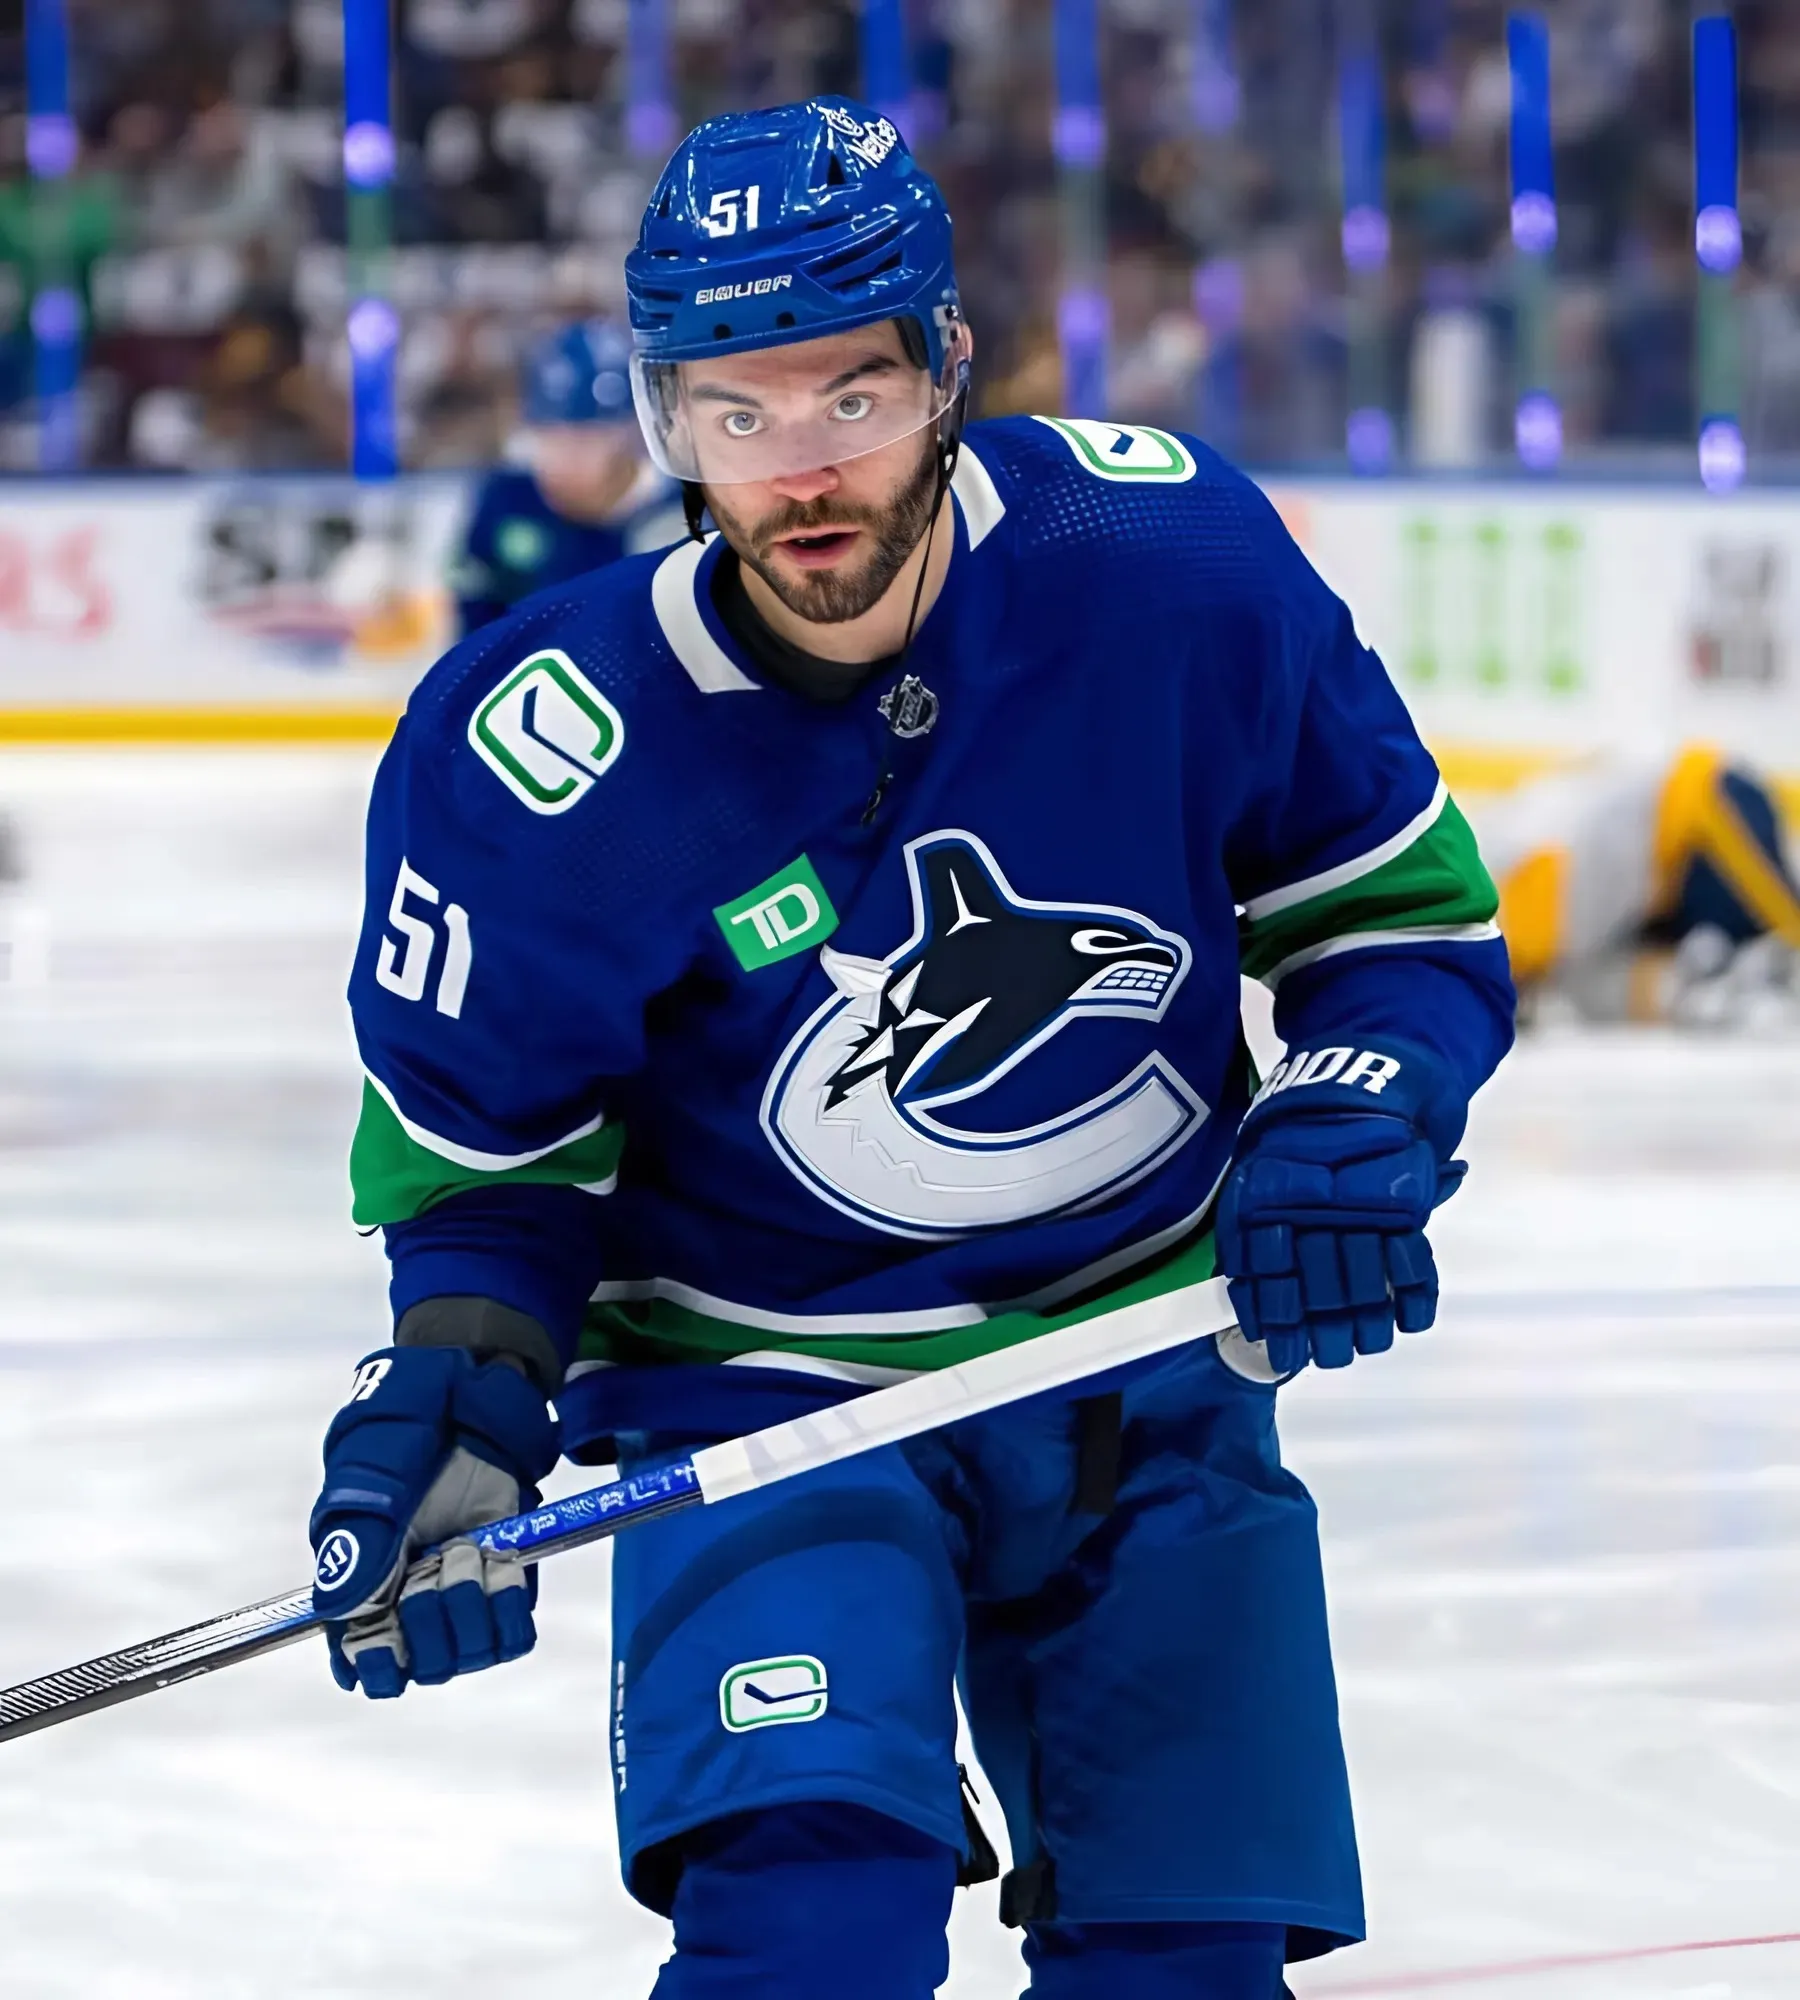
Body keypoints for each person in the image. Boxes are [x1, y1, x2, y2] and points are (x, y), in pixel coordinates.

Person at [310, 99, 1514, 1998]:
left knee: (1185, 1968)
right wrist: (458, 1388)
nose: (799, 473)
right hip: (761, 1405)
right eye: (736, 413)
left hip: (1144, 1368)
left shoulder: (1167, 566)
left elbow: (1394, 924)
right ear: (663, 423)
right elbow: (492, 1171)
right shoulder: (544, 745)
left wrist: (1352, 1120)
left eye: (849, 398)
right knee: (812, 1931)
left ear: (948, 366)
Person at [1474, 743, 1800, 1028]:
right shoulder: (1528, 919)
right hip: (1661, 880)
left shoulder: (1522, 890)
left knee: (1789, 925)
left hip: (1702, 804)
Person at [451, 316, 684, 634]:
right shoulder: (506, 500)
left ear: (631, 431)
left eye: (584, 437)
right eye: (547, 434)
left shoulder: (684, 516)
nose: (562, 455)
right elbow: (472, 628)